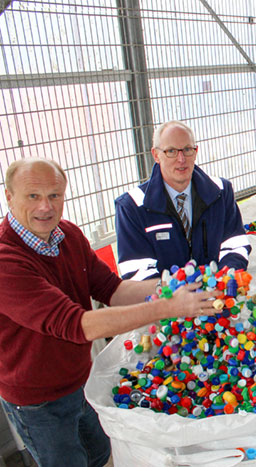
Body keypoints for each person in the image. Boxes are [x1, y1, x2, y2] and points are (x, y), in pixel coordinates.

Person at [0, 158, 219, 467]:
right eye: (33, 196)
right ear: (9, 197)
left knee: (100, 455)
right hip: (38, 400)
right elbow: (79, 325)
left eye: (54, 195)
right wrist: (168, 307)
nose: (45, 207)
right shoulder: (6, 260)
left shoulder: (69, 236)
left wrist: (175, 284)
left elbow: (113, 291)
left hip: (82, 380)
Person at [115, 120, 250, 281]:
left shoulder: (220, 192)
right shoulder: (132, 206)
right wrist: (177, 296)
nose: (181, 159)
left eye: (187, 150)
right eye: (171, 151)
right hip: (166, 302)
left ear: (196, 151)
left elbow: (235, 244)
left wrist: (223, 280)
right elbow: (137, 270)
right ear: (156, 155)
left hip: (218, 297)